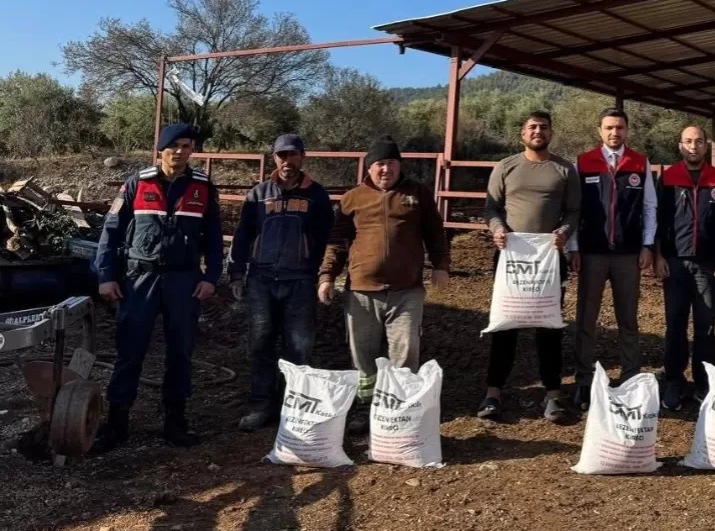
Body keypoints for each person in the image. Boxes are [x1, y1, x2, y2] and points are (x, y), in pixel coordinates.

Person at [91, 122, 223, 452]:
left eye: (186, 146)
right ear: (160, 150)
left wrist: (211, 278)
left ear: (192, 150)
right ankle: (117, 423)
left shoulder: (203, 188)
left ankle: (175, 422)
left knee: (181, 353)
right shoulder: (137, 183)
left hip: (184, 281)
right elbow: (110, 232)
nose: (180, 151)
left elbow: (215, 238)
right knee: (129, 352)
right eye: (173, 145)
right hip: (140, 280)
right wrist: (105, 276)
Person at [318, 134, 450, 434]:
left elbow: (435, 233)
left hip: (407, 290)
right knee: (362, 356)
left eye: (391, 164)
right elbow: (336, 242)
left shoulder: (417, 194)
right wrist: (327, 277)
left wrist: (440, 266)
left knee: (405, 353)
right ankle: (366, 410)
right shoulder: (353, 198)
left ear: (399, 166)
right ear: (369, 167)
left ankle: (400, 413)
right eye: (379, 164)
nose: (386, 170)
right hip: (362, 289)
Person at [477, 111, 581, 423]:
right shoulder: (506, 166)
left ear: (551, 133)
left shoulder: (564, 169)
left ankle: (552, 395)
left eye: (544, 127)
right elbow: (491, 207)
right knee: (504, 324)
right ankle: (493, 393)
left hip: (549, 261)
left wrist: (564, 233)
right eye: (532, 127)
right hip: (511, 259)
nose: (538, 132)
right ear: (522, 134)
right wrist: (497, 229)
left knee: (549, 326)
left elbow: (574, 211)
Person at [228, 134, 334, 432]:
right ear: (274, 158)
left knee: (298, 346)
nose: (287, 161)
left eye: (293, 155)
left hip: (300, 280)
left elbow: (328, 239)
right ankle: (261, 404)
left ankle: (292, 406)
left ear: (303, 157)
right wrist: (237, 273)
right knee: (260, 343)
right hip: (261, 280)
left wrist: (324, 275)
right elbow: (243, 235)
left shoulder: (317, 196)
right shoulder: (258, 194)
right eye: (281, 156)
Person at [567, 108, 656, 411]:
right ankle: (583, 381)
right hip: (591, 253)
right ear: (599, 130)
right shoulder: (582, 162)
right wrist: (574, 247)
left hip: (628, 254)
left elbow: (650, 207)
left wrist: (647, 245)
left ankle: (630, 379)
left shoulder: (640, 163)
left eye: (619, 127)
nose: (614, 133)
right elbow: (574, 210)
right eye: (608, 127)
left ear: (627, 130)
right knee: (586, 319)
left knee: (628, 319)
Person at [655, 125, 715, 411]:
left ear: (707, 146)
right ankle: (674, 381)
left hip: (708, 264)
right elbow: (657, 219)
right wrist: (658, 255)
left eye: (699, 141)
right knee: (675, 326)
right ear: (680, 146)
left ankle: (704, 383)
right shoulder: (667, 178)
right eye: (688, 142)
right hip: (675, 262)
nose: (693, 146)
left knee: (706, 327)